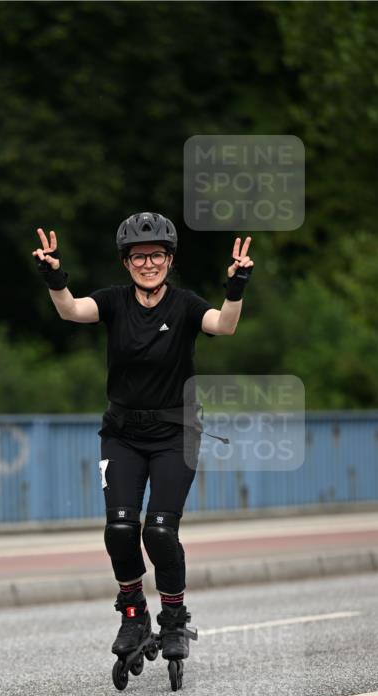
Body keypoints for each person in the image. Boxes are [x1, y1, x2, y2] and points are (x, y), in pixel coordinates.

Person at [33, 212, 254, 667]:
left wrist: (236, 287)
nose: (148, 263)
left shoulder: (185, 305)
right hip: (122, 435)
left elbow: (224, 325)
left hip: (175, 434)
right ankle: (133, 615)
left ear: (169, 260)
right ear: (126, 262)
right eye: (138, 257)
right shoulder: (114, 301)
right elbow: (72, 310)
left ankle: (173, 618)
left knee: (159, 531)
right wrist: (55, 276)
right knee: (119, 529)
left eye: (156, 255)